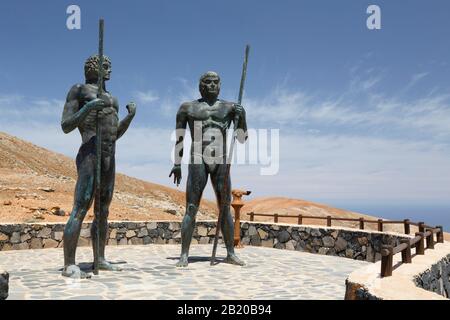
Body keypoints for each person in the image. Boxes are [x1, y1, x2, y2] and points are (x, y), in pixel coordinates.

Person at [60, 55, 136, 278]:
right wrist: (89, 107)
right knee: (81, 207)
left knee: (103, 211)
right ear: (93, 68)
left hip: (109, 157)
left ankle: (100, 259)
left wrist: (130, 118)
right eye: (105, 66)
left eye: (110, 65)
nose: (109, 69)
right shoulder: (79, 90)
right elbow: (66, 125)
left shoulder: (112, 99)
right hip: (89, 154)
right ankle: (69, 264)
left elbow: (114, 135)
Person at [169, 71, 247, 267]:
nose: (212, 85)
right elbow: (179, 137)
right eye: (208, 82)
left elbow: (241, 138)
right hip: (197, 158)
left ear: (220, 85)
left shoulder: (230, 108)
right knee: (192, 207)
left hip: (221, 160)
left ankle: (230, 253)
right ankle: (184, 255)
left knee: (225, 208)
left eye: (215, 82)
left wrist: (242, 116)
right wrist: (177, 163)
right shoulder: (188, 108)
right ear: (201, 86)